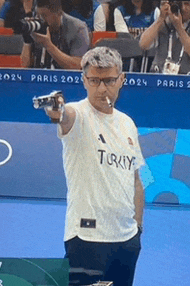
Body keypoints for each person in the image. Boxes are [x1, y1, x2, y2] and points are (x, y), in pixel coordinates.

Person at [44, 46, 145, 286]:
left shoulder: (128, 124)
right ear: (84, 81)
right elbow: (62, 115)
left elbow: (136, 180)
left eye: (109, 80)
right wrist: (56, 109)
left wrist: (137, 229)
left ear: (122, 79)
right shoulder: (77, 114)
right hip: (86, 238)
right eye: (94, 80)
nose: (102, 88)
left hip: (126, 240)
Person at [139, 1, 190, 75]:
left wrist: (179, 27)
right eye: (179, 4)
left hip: (188, 79)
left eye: (186, 4)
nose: (183, 8)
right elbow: (143, 45)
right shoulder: (162, 22)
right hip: (159, 77)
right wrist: (160, 19)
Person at [21, 0, 90, 69]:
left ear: (59, 13)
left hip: (63, 77)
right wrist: (27, 41)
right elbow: (25, 65)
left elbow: (77, 66)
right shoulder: (36, 26)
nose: (41, 19)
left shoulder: (78, 28)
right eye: (38, 15)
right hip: (39, 76)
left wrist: (48, 45)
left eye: (44, 15)